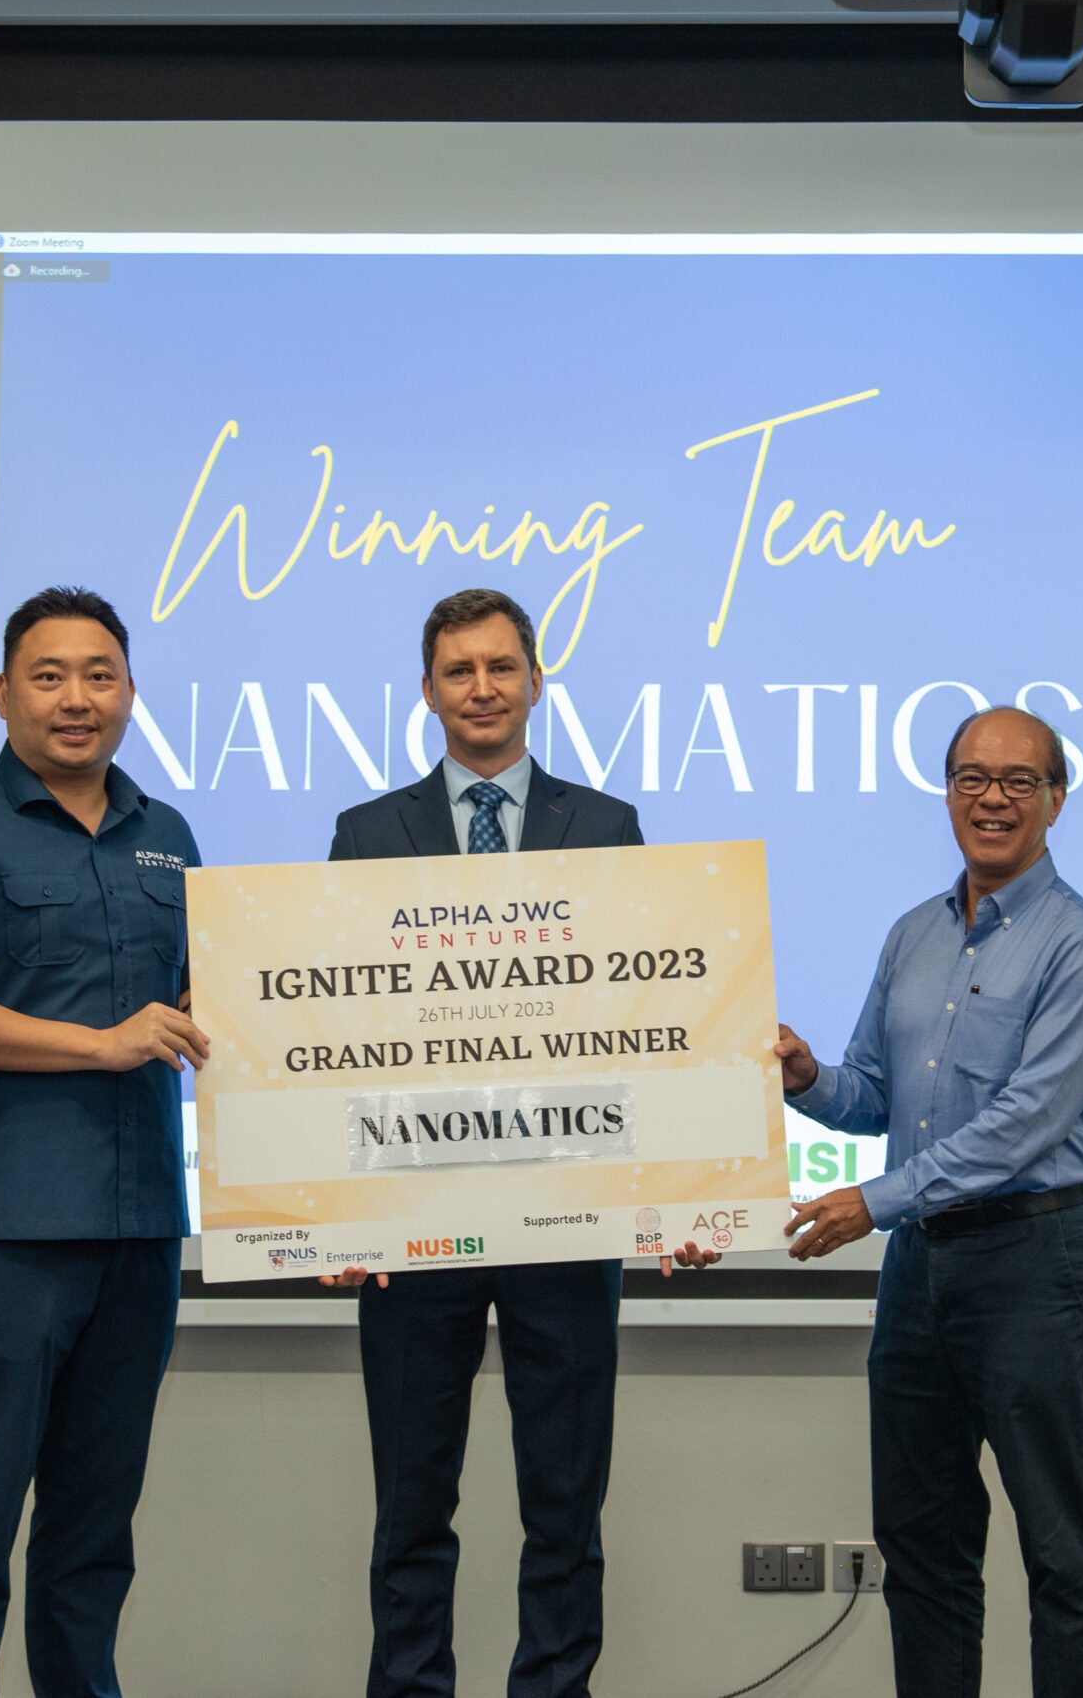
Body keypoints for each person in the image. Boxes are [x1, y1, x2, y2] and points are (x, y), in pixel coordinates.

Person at [319, 587, 710, 1698]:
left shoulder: (609, 825)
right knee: (409, 1506)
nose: (481, 688)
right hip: (410, 1221)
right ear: (428, 690)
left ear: (536, 680)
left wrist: (681, 1195)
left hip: (568, 1214)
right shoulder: (364, 833)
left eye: (500, 666)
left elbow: (654, 1021)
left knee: (564, 1503)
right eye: (458, 670)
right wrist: (331, 1210)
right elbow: (334, 1035)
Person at [0, 585, 209, 1698]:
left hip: (141, 1232)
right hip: (5, 1234)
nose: (78, 699)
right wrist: (96, 1045)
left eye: (100, 675)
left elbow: (220, 1004)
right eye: (52, 675)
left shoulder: (169, 837)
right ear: (7, 690)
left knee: (93, 1535)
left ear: (129, 691)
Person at [774, 704, 1083, 1698]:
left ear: (1057, 799)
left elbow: (1023, 1124)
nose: (992, 797)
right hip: (920, 1273)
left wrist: (875, 1201)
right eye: (972, 776)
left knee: (1062, 1554)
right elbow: (874, 1093)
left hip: (1032, 1264)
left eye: (1019, 780)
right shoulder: (912, 934)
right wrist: (806, 1077)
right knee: (921, 1547)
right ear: (946, 791)